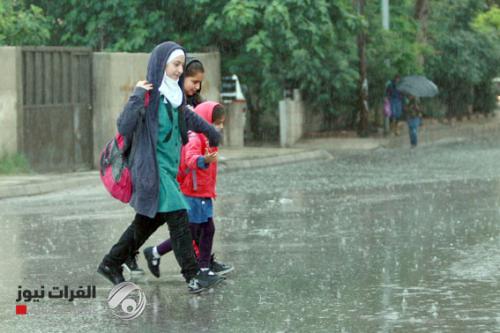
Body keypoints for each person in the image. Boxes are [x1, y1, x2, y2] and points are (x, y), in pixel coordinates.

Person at [97, 41, 224, 294]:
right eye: (175, 65)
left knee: (145, 224)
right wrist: (135, 96)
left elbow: (188, 117)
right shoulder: (148, 96)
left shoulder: (174, 97)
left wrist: (211, 133)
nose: (179, 70)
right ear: (161, 64)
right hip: (152, 173)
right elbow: (123, 126)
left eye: (181, 65)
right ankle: (193, 275)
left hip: (168, 172)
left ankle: (111, 263)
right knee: (179, 218)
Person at [142, 101, 233, 279]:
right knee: (196, 232)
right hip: (192, 193)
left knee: (200, 231)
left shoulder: (209, 139)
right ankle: (202, 268)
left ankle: (158, 253)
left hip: (203, 193)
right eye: (217, 122)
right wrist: (203, 160)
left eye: (222, 123)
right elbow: (190, 159)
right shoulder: (195, 137)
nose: (220, 127)